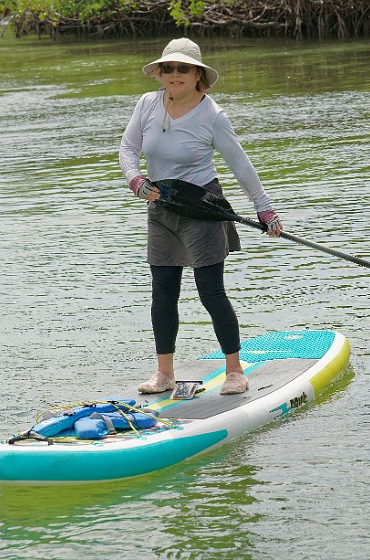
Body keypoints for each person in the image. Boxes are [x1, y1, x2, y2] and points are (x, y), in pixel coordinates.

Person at [119, 38, 282, 396]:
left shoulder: (213, 116)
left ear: (198, 76)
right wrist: (135, 179)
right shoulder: (147, 104)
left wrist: (264, 207)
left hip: (202, 208)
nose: (175, 74)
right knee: (163, 293)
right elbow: (128, 148)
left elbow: (239, 162)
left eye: (184, 68)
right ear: (160, 73)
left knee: (211, 292)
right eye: (168, 68)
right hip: (161, 207)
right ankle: (164, 374)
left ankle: (235, 372)